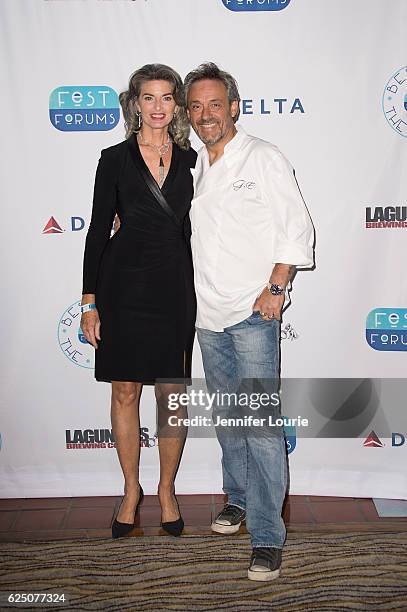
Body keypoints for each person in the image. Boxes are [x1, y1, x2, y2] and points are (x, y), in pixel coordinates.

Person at [184, 63, 314, 580]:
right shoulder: (194, 167)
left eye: (215, 104)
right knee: (229, 418)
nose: (205, 115)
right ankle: (236, 500)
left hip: (253, 314)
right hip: (206, 314)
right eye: (195, 106)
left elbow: (296, 226)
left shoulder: (263, 157)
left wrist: (276, 287)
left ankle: (266, 535)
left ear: (235, 106)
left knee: (259, 426)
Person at [81, 64, 197, 538]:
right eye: (147, 97)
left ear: (177, 104)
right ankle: (131, 489)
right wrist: (90, 300)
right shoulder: (113, 158)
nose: (156, 107)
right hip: (122, 285)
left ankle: (167, 489)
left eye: (166, 97)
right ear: (134, 103)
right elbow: (95, 229)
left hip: (174, 286)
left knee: (172, 394)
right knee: (124, 391)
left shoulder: (196, 159)